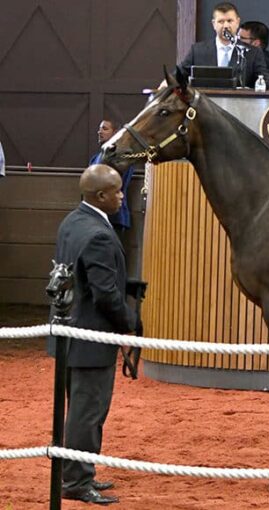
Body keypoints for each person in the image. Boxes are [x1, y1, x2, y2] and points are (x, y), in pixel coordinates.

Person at [47, 164, 136, 505]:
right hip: (91, 338)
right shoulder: (99, 234)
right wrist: (129, 322)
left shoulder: (71, 221)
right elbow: (105, 294)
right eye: (117, 192)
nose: (121, 197)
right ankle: (77, 482)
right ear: (101, 195)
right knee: (88, 412)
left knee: (79, 410)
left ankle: (79, 472)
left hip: (69, 334)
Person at [178, 2, 269, 91]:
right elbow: (178, 75)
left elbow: (264, 78)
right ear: (213, 24)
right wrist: (167, 83)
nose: (226, 26)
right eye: (221, 21)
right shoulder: (197, 50)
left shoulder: (252, 52)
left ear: (237, 22)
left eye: (230, 21)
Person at [90, 120, 134, 238]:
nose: (100, 132)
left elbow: (119, 184)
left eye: (104, 129)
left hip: (115, 216)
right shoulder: (95, 159)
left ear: (115, 133)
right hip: (96, 215)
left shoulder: (123, 157)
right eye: (100, 129)